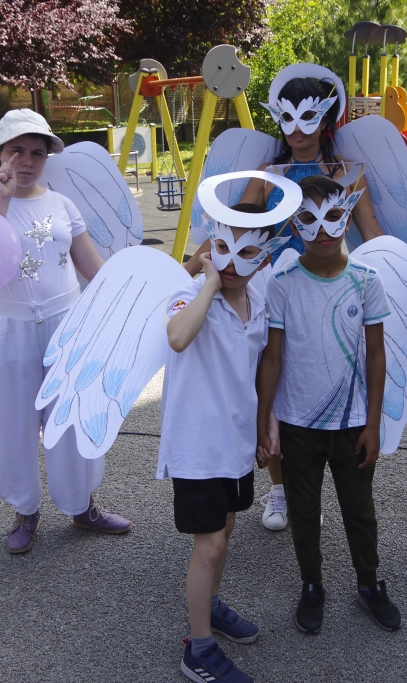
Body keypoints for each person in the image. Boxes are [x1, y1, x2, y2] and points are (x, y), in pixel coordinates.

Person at [188, 74, 385, 533]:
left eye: (308, 116)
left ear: (326, 117)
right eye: (287, 118)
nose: (297, 129)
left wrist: (393, 271)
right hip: (272, 290)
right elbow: (234, 223)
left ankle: (311, 484)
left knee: (318, 380)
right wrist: (191, 267)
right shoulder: (268, 174)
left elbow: (371, 230)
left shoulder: (348, 173)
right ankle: (281, 487)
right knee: (271, 383)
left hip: (329, 292)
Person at [0, 109, 131, 554]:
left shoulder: (62, 204)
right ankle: (25, 510)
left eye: (37, 153)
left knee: (71, 418)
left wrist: (133, 296)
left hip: (66, 326)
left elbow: (91, 265)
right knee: (14, 420)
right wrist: (0, 200)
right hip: (10, 327)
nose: (26, 160)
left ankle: (82, 505)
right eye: (16, 150)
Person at [256, 175, 401, 634]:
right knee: (303, 510)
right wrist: (265, 421)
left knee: (360, 510)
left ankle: (369, 583)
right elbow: (272, 356)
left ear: (348, 218)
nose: (322, 229)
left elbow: (376, 354)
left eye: (333, 216)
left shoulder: (367, 280)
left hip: (352, 423)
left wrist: (373, 423)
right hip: (297, 423)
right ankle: (311, 584)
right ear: (294, 225)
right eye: (309, 219)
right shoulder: (282, 282)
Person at [162, 204, 282, 683]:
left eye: (247, 251)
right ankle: (199, 650)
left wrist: (267, 423)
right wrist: (208, 282)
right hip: (197, 446)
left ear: (264, 257)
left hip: (235, 443)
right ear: (209, 246)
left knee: (226, 528)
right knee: (209, 544)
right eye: (222, 247)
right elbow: (177, 337)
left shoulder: (259, 303)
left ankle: (209, 606)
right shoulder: (189, 294)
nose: (232, 261)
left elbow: (256, 372)